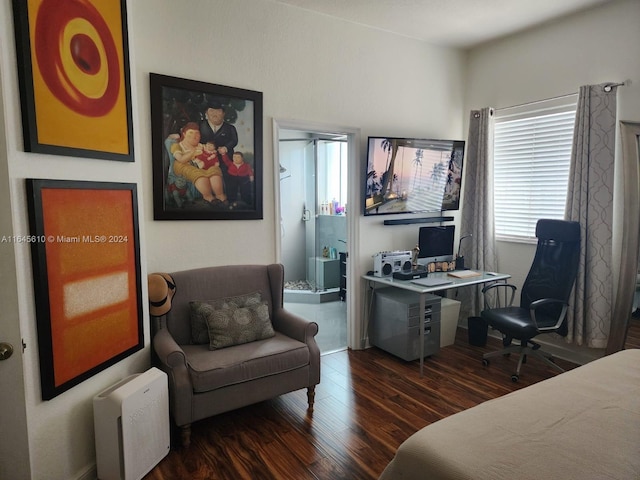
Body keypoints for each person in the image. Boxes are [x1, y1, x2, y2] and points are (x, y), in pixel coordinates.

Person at [169, 122, 227, 206]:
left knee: (214, 169)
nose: (194, 136)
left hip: (203, 165)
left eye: (197, 133)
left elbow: (211, 153)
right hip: (185, 165)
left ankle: (220, 196)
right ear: (184, 134)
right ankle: (208, 197)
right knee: (198, 174)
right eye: (191, 133)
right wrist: (192, 152)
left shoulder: (202, 146)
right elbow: (181, 159)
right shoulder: (177, 145)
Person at [200, 102, 238, 184]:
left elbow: (234, 140)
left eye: (218, 111)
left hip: (224, 161)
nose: (214, 114)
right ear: (206, 112)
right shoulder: (200, 125)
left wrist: (226, 148)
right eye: (211, 111)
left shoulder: (230, 128)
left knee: (227, 181)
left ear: (223, 113)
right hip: (205, 159)